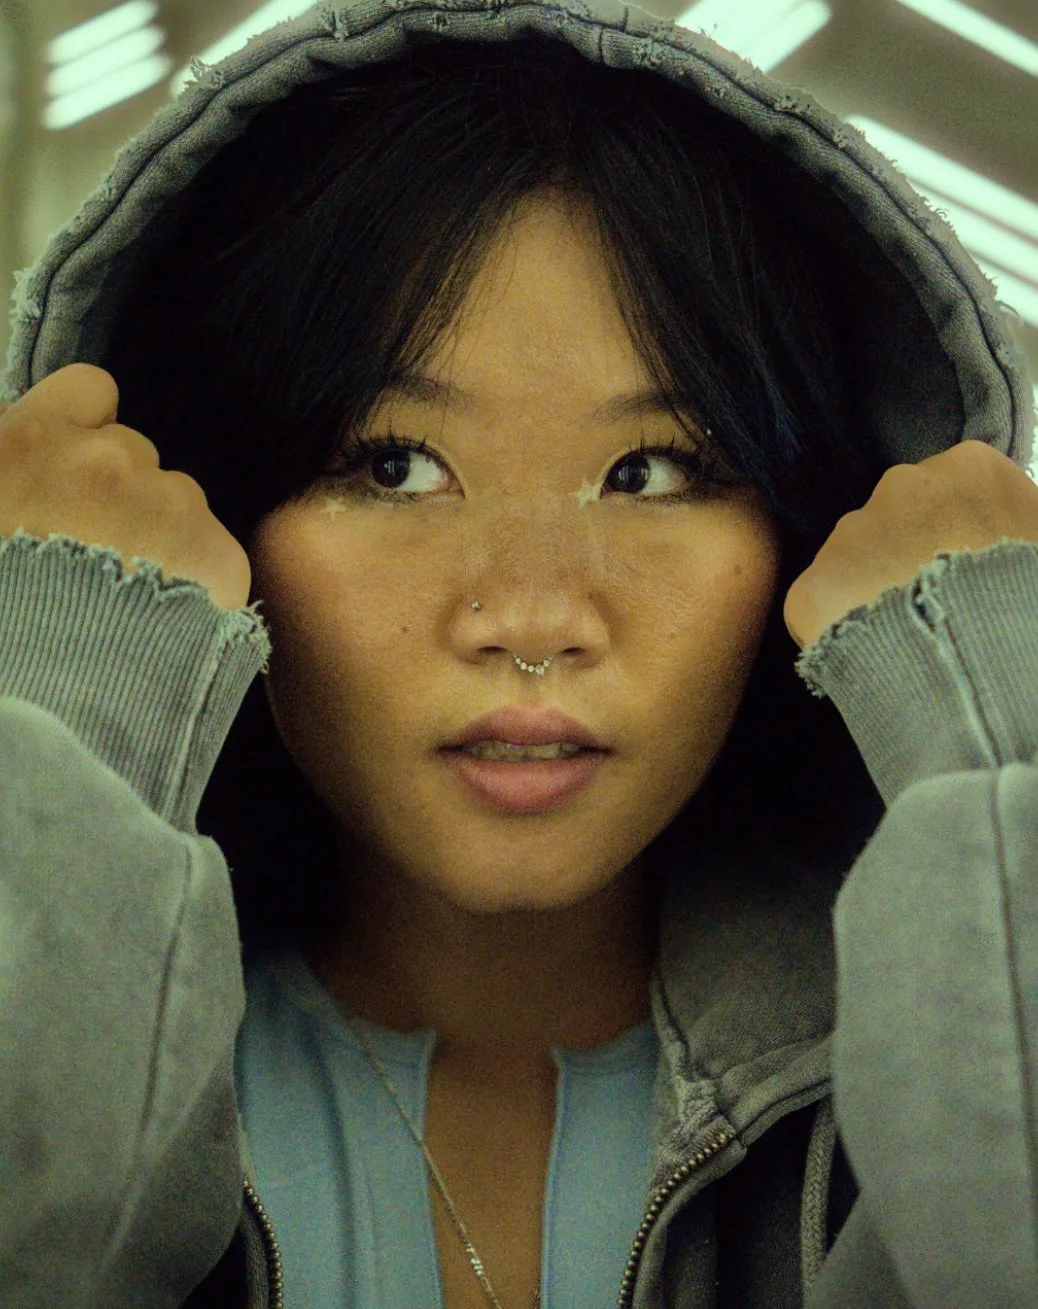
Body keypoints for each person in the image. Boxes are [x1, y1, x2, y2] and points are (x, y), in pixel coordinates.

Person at [0, 1, 1035, 1306]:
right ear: (200, 518)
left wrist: (991, 707)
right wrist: (65, 686)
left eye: (652, 471)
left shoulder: (882, 1113)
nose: (534, 614)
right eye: (394, 466)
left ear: (809, 534)